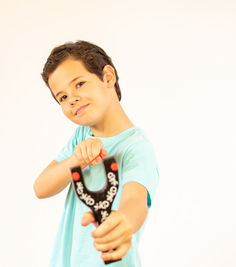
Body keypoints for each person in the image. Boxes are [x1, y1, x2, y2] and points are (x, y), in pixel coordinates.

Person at [33, 40, 160, 267]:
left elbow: (136, 199)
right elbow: (41, 188)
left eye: (79, 84)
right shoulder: (81, 136)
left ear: (108, 77)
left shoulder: (136, 146)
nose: (71, 98)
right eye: (62, 97)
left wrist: (124, 223)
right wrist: (76, 159)